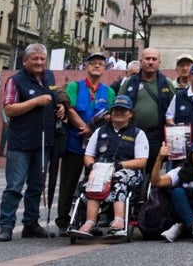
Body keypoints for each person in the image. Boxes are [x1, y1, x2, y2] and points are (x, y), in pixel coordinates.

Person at [0, 43, 65, 241]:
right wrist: (34, 102)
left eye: (42, 59)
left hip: (43, 141)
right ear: (25, 61)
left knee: (36, 186)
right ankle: (6, 226)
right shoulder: (15, 80)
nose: (39, 62)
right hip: (21, 142)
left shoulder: (49, 77)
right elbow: (8, 109)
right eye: (35, 59)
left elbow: (53, 96)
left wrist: (59, 106)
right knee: (15, 186)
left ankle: (31, 224)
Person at [70, 94, 149, 238]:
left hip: (127, 169)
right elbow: (88, 155)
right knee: (93, 181)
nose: (119, 113)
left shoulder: (138, 134)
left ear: (130, 114)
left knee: (118, 178)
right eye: (116, 110)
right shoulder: (100, 132)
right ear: (110, 113)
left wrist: (119, 166)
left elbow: (142, 161)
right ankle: (90, 221)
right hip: (101, 169)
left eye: (123, 110)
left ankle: (119, 219)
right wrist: (93, 167)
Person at [56, 51, 115, 236]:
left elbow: (109, 115)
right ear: (86, 67)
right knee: (69, 182)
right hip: (75, 142)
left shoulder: (109, 91)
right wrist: (85, 128)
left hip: (98, 147)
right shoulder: (75, 86)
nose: (97, 66)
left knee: (95, 184)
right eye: (93, 63)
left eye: (100, 63)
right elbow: (70, 109)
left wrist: (94, 132)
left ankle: (87, 220)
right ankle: (64, 221)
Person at [119, 48, 176, 174]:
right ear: (141, 61)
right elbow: (118, 106)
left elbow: (174, 109)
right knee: (130, 172)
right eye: (147, 59)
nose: (150, 62)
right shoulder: (129, 83)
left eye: (154, 59)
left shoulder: (166, 83)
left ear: (159, 62)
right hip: (132, 134)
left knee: (152, 174)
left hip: (155, 136)